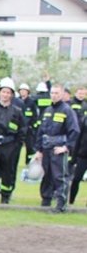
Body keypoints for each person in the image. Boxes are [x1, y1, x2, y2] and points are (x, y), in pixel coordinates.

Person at [34, 83, 80, 213]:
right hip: (46, 147)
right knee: (46, 175)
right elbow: (40, 131)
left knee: (60, 177)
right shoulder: (47, 110)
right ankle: (46, 201)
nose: (54, 96)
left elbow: (74, 131)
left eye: (57, 93)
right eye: (52, 93)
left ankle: (61, 205)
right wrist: (38, 150)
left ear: (62, 94)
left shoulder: (67, 110)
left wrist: (66, 147)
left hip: (58, 148)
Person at [0, 77, 26, 204]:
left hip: (9, 146)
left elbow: (22, 130)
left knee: (7, 173)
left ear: (12, 95)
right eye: (3, 92)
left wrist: (16, 147)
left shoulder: (17, 111)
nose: (5, 94)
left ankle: (5, 196)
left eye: (8, 92)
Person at [16, 82, 37, 164]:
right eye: (21, 90)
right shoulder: (17, 101)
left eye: (24, 91)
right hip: (19, 127)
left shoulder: (31, 102)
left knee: (29, 146)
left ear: (28, 92)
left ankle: (28, 161)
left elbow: (34, 115)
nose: (23, 92)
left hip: (28, 127)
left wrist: (32, 126)